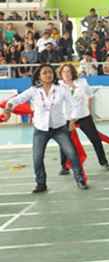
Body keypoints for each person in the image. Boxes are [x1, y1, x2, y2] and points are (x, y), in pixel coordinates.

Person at [3, 64, 87, 192]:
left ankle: (80, 179)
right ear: (39, 76)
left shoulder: (61, 89)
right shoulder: (34, 90)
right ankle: (41, 184)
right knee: (37, 157)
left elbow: (75, 104)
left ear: (53, 75)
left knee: (72, 153)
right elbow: (16, 100)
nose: (48, 75)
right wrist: (8, 109)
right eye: (44, 73)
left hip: (59, 128)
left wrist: (72, 120)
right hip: (40, 130)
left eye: (50, 72)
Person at [57, 64, 109, 174]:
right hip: (66, 118)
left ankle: (103, 162)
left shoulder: (82, 82)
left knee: (95, 139)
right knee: (64, 142)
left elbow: (90, 95)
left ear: (72, 72)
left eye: (68, 71)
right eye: (64, 72)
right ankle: (64, 167)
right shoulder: (58, 86)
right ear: (61, 74)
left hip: (83, 116)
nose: (66, 74)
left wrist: (89, 109)